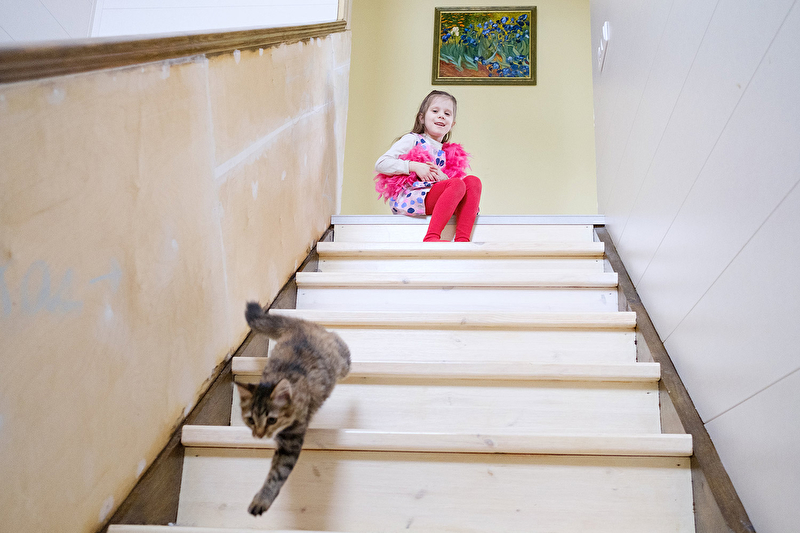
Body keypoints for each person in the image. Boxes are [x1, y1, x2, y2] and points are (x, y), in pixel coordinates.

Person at [374, 90, 482, 242]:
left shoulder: (448, 152)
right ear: (422, 118)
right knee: (457, 183)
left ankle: (463, 240)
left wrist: (444, 178)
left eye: (447, 113)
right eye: (435, 111)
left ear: (452, 124)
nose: (441, 116)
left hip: (438, 198)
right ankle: (431, 236)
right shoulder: (413, 139)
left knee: (473, 181)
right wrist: (414, 166)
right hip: (414, 197)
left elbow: (452, 187)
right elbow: (381, 164)